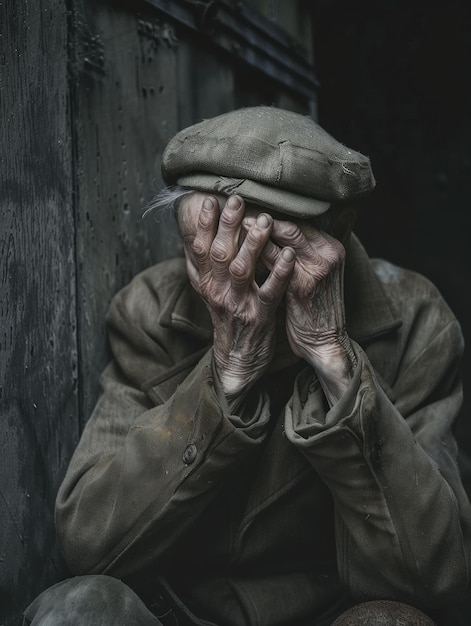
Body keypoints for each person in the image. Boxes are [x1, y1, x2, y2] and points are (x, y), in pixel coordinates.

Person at [24, 106, 471, 625]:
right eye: (204, 255)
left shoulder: (416, 320)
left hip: (331, 611)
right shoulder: (149, 310)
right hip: (183, 610)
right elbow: (91, 544)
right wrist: (226, 377)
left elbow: (437, 576)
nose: (227, 280)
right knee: (79, 609)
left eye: (260, 256)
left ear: (339, 233)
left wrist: (334, 361)